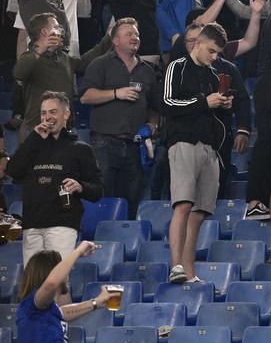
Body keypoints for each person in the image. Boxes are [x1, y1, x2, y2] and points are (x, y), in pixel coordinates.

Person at [159, 23, 233, 283]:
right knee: (183, 205)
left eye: (217, 54)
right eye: (211, 51)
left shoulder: (214, 75)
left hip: (209, 146)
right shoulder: (176, 66)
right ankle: (176, 266)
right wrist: (205, 102)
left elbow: (213, 112)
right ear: (197, 43)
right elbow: (166, 103)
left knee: (200, 211)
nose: (214, 57)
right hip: (183, 142)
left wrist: (223, 105)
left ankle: (189, 272)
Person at [7, 91, 103, 263]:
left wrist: (80, 187)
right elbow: (12, 170)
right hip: (32, 225)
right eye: (43, 113)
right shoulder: (32, 146)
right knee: (34, 283)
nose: (47, 117)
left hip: (62, 225)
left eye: (53, 112)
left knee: (58, 282)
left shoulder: (81, 149)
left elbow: (98, 191)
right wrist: (34, 138)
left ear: (66, 114)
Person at [78, 18, 157, 218]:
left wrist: (152, 124)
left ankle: (124, 242)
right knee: (102, 198)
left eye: (136, 34)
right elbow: (86, 96)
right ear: (115, 41)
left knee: (132, 200)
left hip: (135, 146)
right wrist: (116, 93)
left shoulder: (148, 70)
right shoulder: (100, 64)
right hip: (105, 143)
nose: (134, 37)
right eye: (129, 34)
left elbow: (154, 106)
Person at [16, 242, 121, 341]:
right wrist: (78, 252)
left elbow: (62, 312)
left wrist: (96, 303)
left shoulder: (47, 308)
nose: (68, 272)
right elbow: (51, 284)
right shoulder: (31, 304)